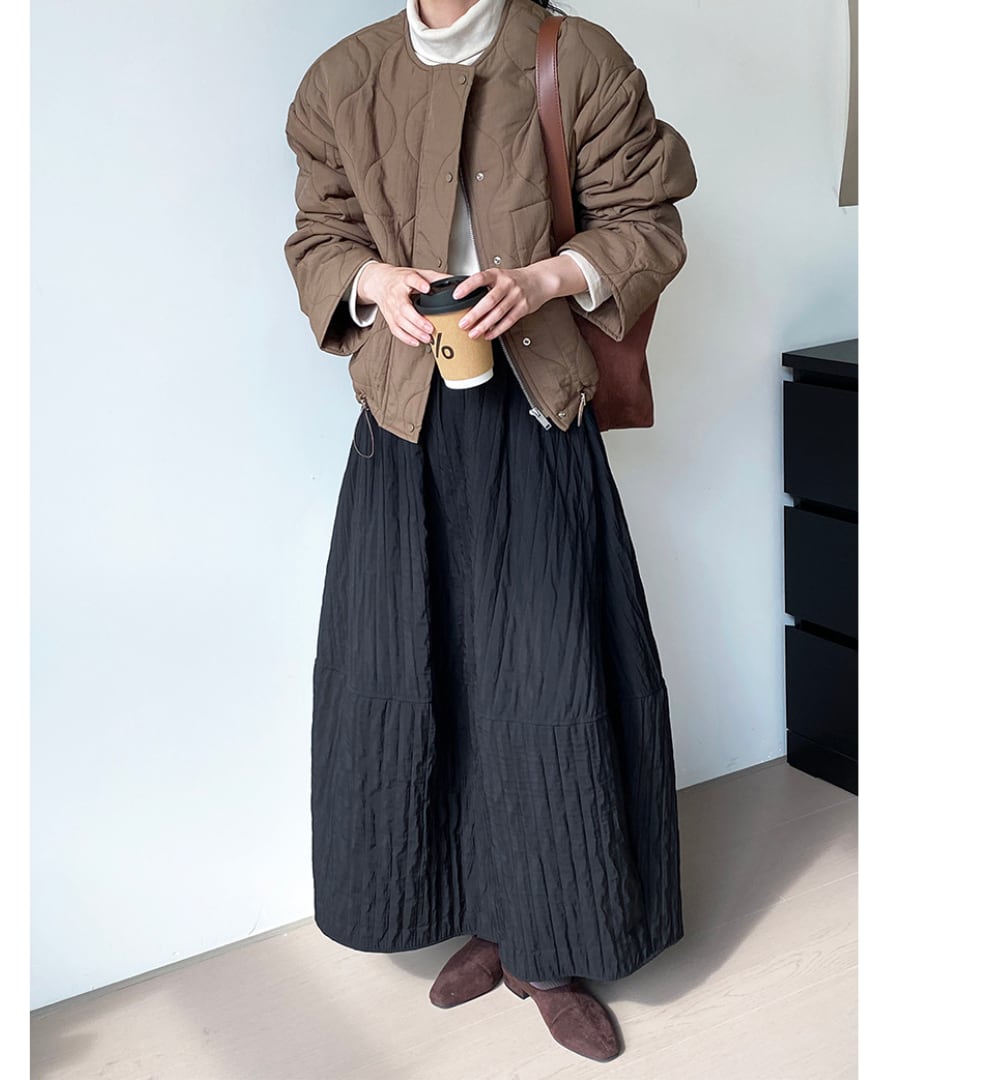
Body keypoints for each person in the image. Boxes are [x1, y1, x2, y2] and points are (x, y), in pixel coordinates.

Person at [283, 0, 698, 1064]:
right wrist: (374, 283)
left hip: (536, 411)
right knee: (421, 677)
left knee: (551, 681)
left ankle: (552, 947)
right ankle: (485, 911)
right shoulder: (343, 77)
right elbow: (320, 233)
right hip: (404, 426)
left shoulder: (574, 55)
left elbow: (647, 220)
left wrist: (543, 278)